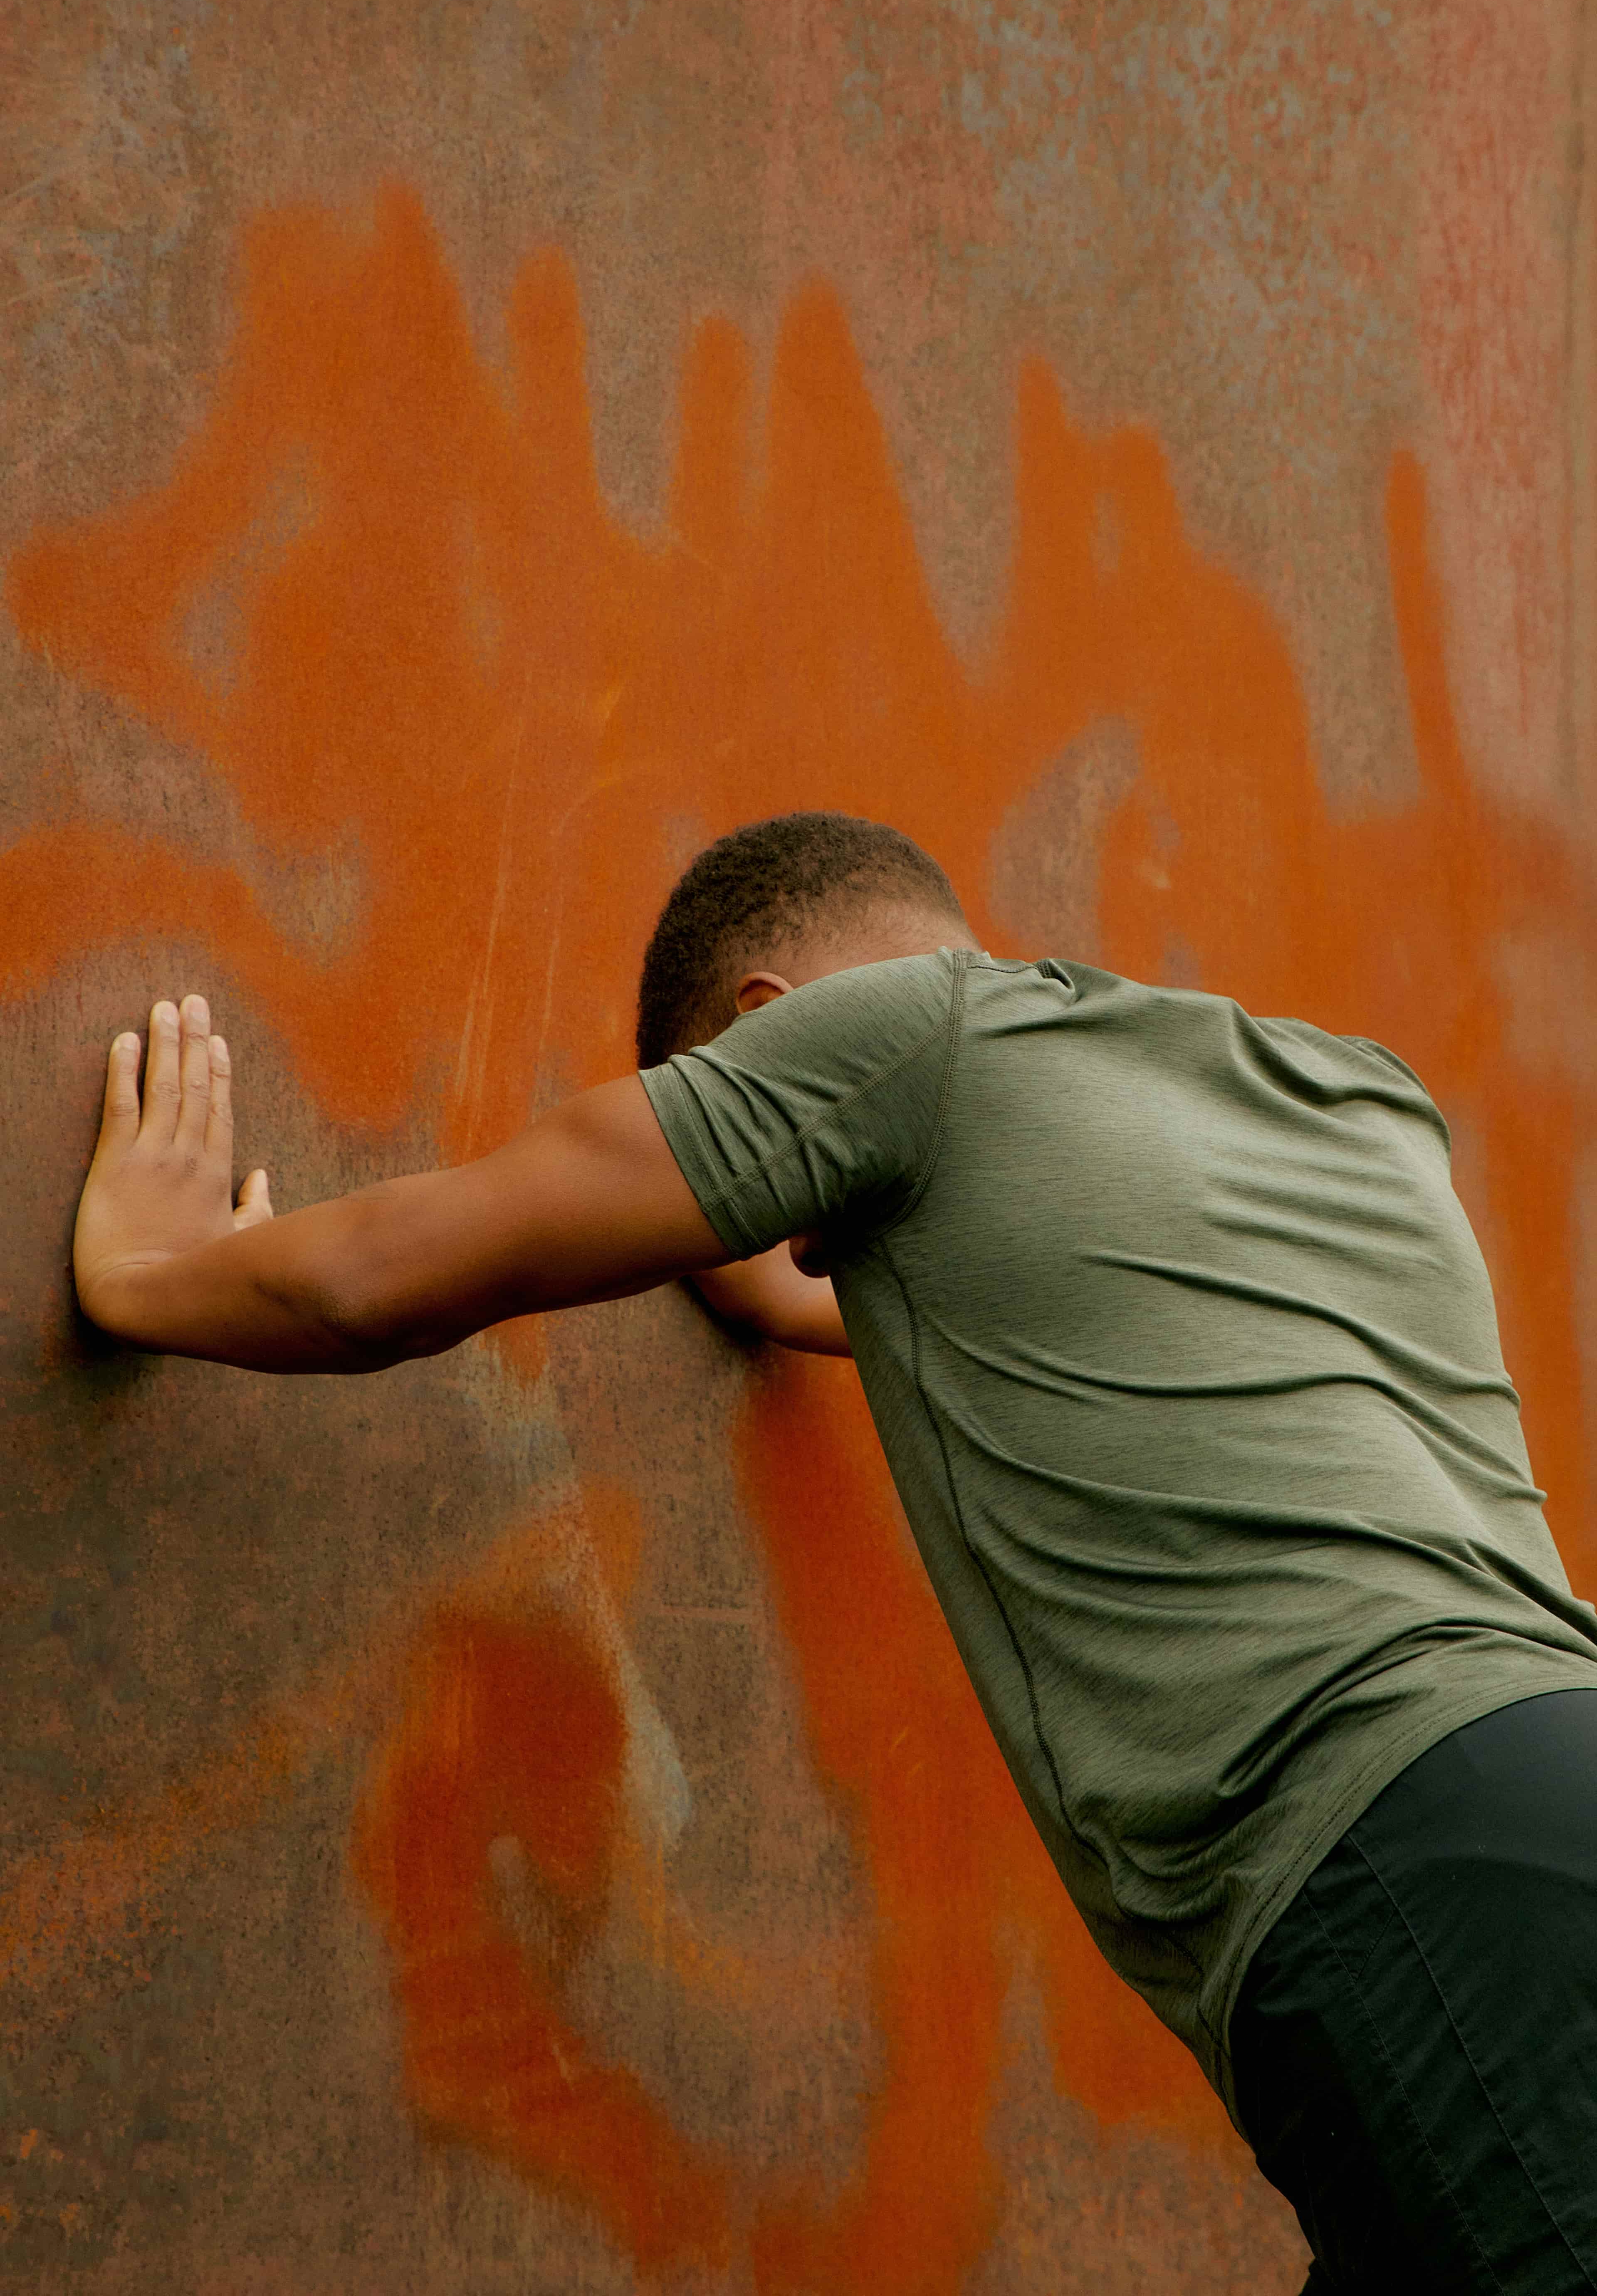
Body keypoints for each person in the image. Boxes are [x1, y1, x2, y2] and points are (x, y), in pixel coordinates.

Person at [73, 810, 1597, 2293]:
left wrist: (158, 1272)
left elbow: (375, 1283)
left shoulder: (901, 1039)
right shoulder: (1335, 1092)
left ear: (769, 1026)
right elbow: (1057, 1302)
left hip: (1399, 1859)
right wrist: (777, 1271)